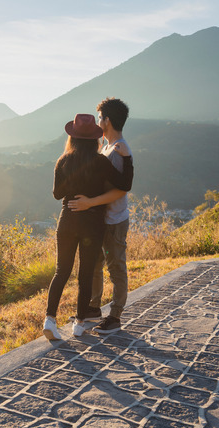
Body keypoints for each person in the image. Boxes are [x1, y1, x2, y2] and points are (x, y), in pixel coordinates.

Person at [43, 113, 133, 341]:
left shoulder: (63, 160)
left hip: (68, 218)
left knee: (61, 271)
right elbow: (125, 184)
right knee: (85, 273)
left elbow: (56, 194)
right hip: (92, 223)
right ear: (95, 138)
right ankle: (80, 323)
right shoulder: (101, 161)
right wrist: (128, 159)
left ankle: (50, 320)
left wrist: (72, 182)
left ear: (72, 137)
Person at [67, 97, 131, 334]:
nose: (98, 121)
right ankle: (94, 307)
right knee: (95, 263)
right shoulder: (106, 146)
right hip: (101, 220)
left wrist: (90, 203)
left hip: (115, 220)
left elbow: (120, 190)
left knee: (116, 267)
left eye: (101, 117)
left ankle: (115, 317)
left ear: (108, 121)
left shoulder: (119, 150)